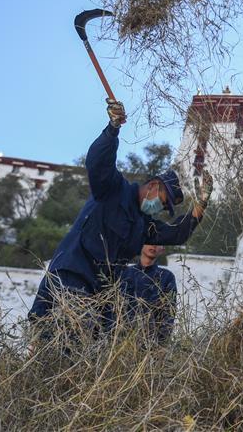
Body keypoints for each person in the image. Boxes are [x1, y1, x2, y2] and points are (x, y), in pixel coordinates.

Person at [28, 98, 211, 322]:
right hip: (71, 276)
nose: (161, 208)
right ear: (153, 186)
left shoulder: (144, 225)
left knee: (88, 349)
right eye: (163, 202)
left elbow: (177, 233)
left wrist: (201, 203)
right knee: (53, 340)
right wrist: (113, 128)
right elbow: (98, 163)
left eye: (164, 207)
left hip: (99, 294)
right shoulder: (113, 189)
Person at [115, 244, 177, 345]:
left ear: (162, 249)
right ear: (141, 243)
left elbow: (169, 312)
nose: (154, 245)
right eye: (150, 241)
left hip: (152, 343)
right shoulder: (125, 273)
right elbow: (114, 308)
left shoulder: (166, 276)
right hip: (122, 341)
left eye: (159, 243)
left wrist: (162, 343)